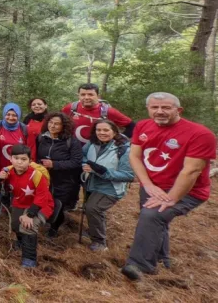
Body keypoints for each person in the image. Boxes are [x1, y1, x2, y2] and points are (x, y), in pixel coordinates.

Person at [120, 92, 216, 281]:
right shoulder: (142, 126)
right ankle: (162, 258)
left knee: (152, 215)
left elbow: (191, 171)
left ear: (178, 110)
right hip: (152, 186)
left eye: (166, 107)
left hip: (188, 191)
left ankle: (140, 266)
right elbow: (135, 156)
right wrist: (147, 185)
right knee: (154, 221)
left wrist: (172, 197)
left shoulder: (200, 134)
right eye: (154, 107)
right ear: (148, 109)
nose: (159, 111)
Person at [82, 119, 134, 252]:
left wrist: (103, 172)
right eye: (98, 130)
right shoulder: (91, 144)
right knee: (92, 209)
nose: (101, 133)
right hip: (91, 183)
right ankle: (94, 230)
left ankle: (99, 242)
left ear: (115, 131)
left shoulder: (124, 149)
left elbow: (128, 175)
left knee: (93, 208)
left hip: (111, 187)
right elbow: (82, 156)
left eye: (106, 130)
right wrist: (84, 165)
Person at [0, 144, 54, 269]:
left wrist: (30, 215)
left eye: (23, 159)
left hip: (41, 205)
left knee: (28, 226)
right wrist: (0, 180)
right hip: (20, 202)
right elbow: (5, 190)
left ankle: (29, 259)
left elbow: (42, 196)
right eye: (16, 158)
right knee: (15, 225)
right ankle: (21, 241)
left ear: (30, 160)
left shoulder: (36, 175)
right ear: (11, 159)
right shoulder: (8, 171)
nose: (19, 162)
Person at [36, 113, 82, 237]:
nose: (53, 126)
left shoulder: (71, 142)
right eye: (50, 123)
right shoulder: (42, 138)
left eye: (57, 124)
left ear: (64, 126)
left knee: (58, 204)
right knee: (44, 201)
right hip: (44, 178)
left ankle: (54, 228)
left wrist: (54, 164)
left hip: (64, 180)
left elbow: (76, 162)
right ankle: (43, 221)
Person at [62, 83, 133, 145]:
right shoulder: (70, 108)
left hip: (99, 152)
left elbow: (132, 126)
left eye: (90, 94)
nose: (86, 97)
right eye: (83, 94)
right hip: (73, 150)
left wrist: (118, 140)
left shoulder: (109, 111)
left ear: (98, 96)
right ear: (79, 96)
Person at [0, 103, 29, 182]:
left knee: (16, 183)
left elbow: (30, 148)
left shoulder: (24, 129)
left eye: (14, 115)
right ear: (4, 114)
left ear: (18, 116)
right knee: (1, 182)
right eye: (8, 114)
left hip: (19, 164)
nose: (11, 117)